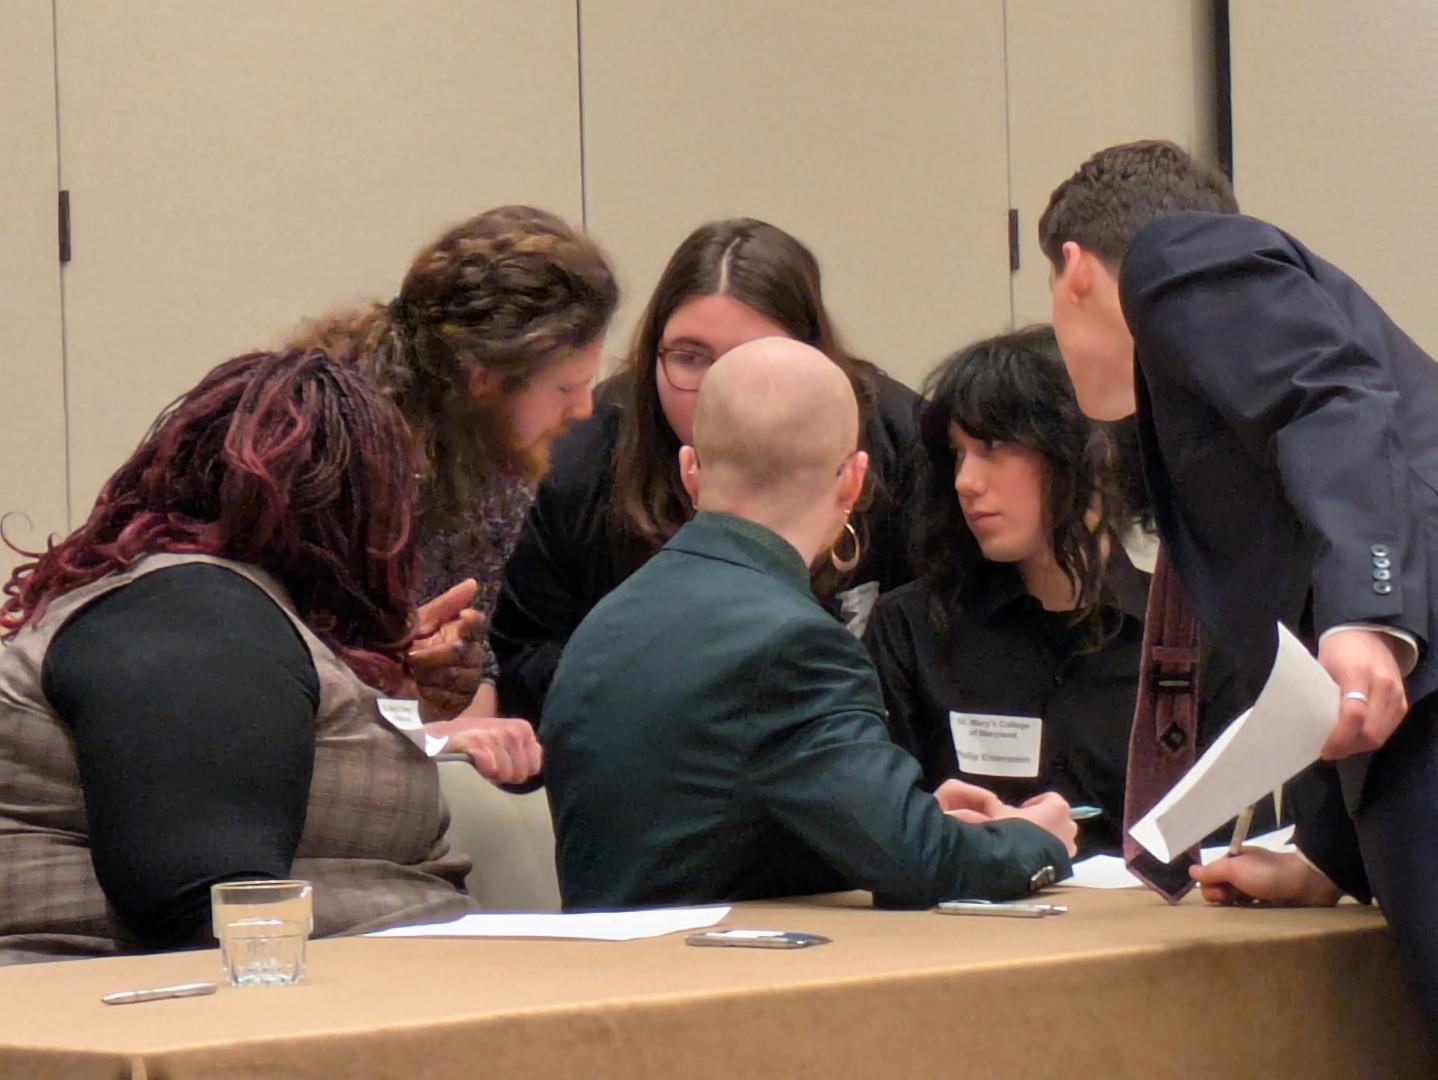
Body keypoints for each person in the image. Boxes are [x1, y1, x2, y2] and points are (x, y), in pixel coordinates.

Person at [1040, 139, 1438, 1033]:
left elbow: (1332, 402)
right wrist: (1330, 858)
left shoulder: (1173, 257)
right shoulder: (1204, 341)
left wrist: (1368, 612)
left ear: (1075, 270)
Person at [541, 337, 1076, 911]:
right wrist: (1033, 840)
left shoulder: (604, 624)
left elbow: (701, 834)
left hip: (606, 959)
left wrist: (905, 815)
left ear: (690, 470)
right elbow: (920, 862)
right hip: (727, 964)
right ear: (853, 480)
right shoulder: (796, 644)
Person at [0, 350, 486, 962]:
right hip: (178, 1006)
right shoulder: (194, 612)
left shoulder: (240, 615)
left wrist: (393, 685)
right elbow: (205, 907)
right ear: (351, 508)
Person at [491, 218, 921, 722]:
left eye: (752, 359)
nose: (720, 388)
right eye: (690, 358)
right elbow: (521, 660)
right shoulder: (575, 461)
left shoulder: (902, 440)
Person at [292, 206, 618, 777]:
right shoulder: (332, 451)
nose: (585, 409)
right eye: (567, 387)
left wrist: (454, 701)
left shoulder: (501, 466)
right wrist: (427, 720)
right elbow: (302, 678)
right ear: (482, 375)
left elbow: (470, 682)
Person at [864, 327, 1148, 855]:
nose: (965, 481)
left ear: (1092, 453)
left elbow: (1235, 841)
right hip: (975, 905)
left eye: (993, 447)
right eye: (958, 453)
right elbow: (881, 837)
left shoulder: (1185, 638)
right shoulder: (911, 630)